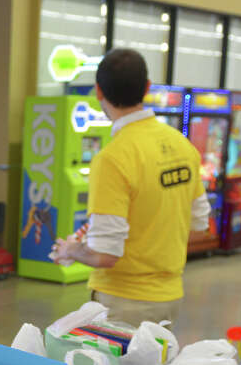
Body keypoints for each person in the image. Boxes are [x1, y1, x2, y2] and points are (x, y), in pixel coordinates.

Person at [51, 48, 210, 326]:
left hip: (124, 302)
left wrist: (71, 250)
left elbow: (105, 255)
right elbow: (199, 224)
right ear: (147, 88)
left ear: (98, 91)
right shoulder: (183, 146)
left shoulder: (113, 158)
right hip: (171, 297)